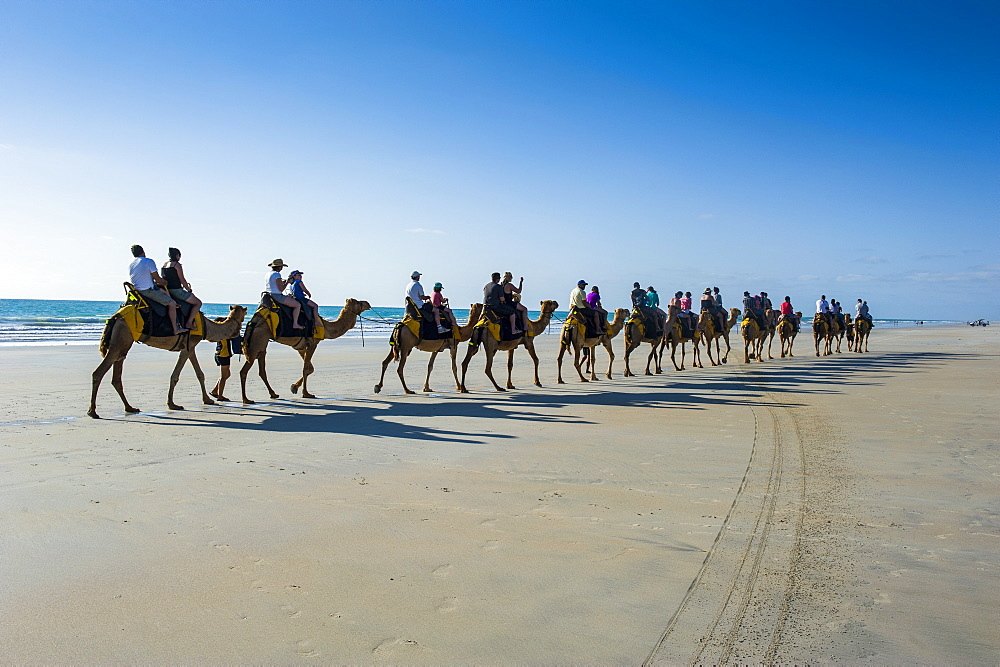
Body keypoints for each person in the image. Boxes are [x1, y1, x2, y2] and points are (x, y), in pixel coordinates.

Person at [129, 245, 187, 335]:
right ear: (143, 251)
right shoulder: (148, 261)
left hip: (137, 290)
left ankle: (174, 303)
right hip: (147, 290)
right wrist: (164, 282)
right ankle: (176, 328)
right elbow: (157, 279)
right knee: (171, 303)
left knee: (164, 292)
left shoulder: (131, 264)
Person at [161, 248, 202, 330]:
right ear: (177, 256)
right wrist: (189, 290)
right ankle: (189, 323)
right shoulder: (177, 265)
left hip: (166, 290)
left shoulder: (164, 265)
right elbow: (182, 279)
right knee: (198, 303)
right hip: (176, 291)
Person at [266, 259, 304, 329]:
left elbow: (275, 285)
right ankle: (295, 324)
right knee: (297, 305)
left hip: (269, 295)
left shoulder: (269, 274)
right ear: (280, 267)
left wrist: (285, 282)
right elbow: (281, 289)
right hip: (277, 296)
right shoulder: (277, 274)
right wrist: (287, 283)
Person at [210, 331, 243, 401]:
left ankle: (215, 391)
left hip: (218, 354)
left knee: (227, 374)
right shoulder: (225, 334)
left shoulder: (219, 333)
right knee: (223, 377)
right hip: (224, 355)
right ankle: (220, 396)